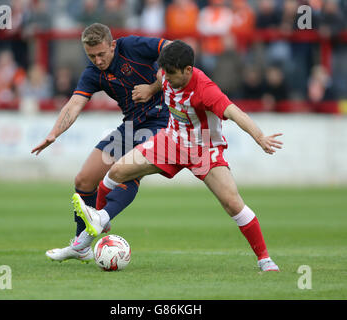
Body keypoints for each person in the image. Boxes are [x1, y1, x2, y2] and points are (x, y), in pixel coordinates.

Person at [72, 40, 283, 272]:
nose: (167, 79)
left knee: (233, 203)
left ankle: (264, 259)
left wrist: (260, 137)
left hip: (203, 150)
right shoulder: (166, 74)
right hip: (170, 141)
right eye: (165, 73)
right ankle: (101, 219)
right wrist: (152, 87)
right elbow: (161, 79)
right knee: (117, 171)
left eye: (171, 75)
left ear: (188, 70)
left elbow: (234, 112)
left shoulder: (206, 90)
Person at [31, 23, 171, 262]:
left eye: (101, 54)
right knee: (84, 180)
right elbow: (75, 104)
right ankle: (81, 247)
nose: (97, 60)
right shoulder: (93, 73)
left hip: (162, 122)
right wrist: (54, 133)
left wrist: (154, 87)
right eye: (91, 55)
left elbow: (172, 48)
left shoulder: (132, 46)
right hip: (131, 127)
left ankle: (101, 219)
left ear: (113, 45)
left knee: (126, 172)